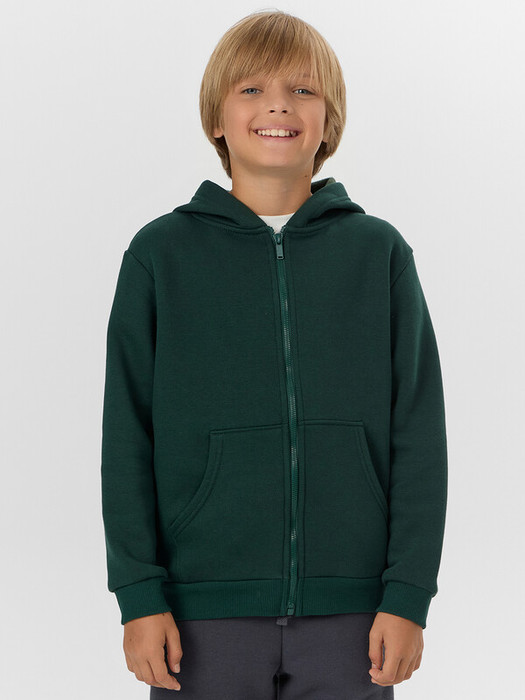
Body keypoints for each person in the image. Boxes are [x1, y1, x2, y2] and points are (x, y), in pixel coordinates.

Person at [100, 9, 448, 699]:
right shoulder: (160, 255)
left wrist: (408, 595)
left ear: (329, 121)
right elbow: (126, 436)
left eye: (302, 89)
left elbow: (418, 429)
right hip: (199, 613)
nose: (279, 105)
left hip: (356, 615)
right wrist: (138, 595)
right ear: (217, 118)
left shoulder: (377, 253)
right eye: (252, 89)